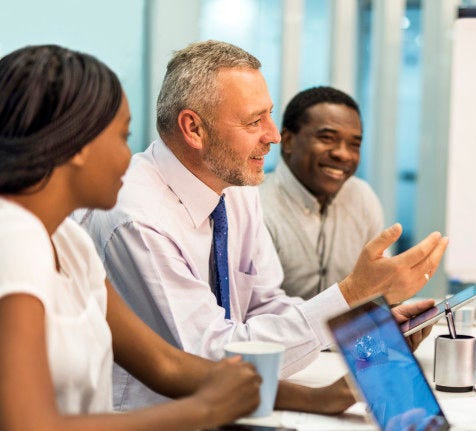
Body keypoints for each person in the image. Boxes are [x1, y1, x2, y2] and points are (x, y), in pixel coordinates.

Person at [81, 40, 446, 410]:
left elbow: (265, 307)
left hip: (226, 407)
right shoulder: (138, 217)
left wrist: (358, 326)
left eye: (269, 116)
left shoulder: (235, 187)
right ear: (193, 129)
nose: (273, 135)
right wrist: (351, 292)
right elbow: (211, 356)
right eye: (255, 121)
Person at [0, 43, 290, 431]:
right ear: (75, 144)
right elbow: (29, 426)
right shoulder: (14, 238)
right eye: (123, 137)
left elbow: (166, 365)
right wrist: (203, 411)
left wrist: (326, 395)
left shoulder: (68, 240)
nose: (130, 157)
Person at [261, 86, 384, 300]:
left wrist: (397, 316)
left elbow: (378, 288)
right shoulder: (255, 206)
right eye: (327, 138)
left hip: (352, 333)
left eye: (354, 144)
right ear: (288, 141)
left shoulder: (361, 196)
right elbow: (258, 311)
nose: (343, 154)